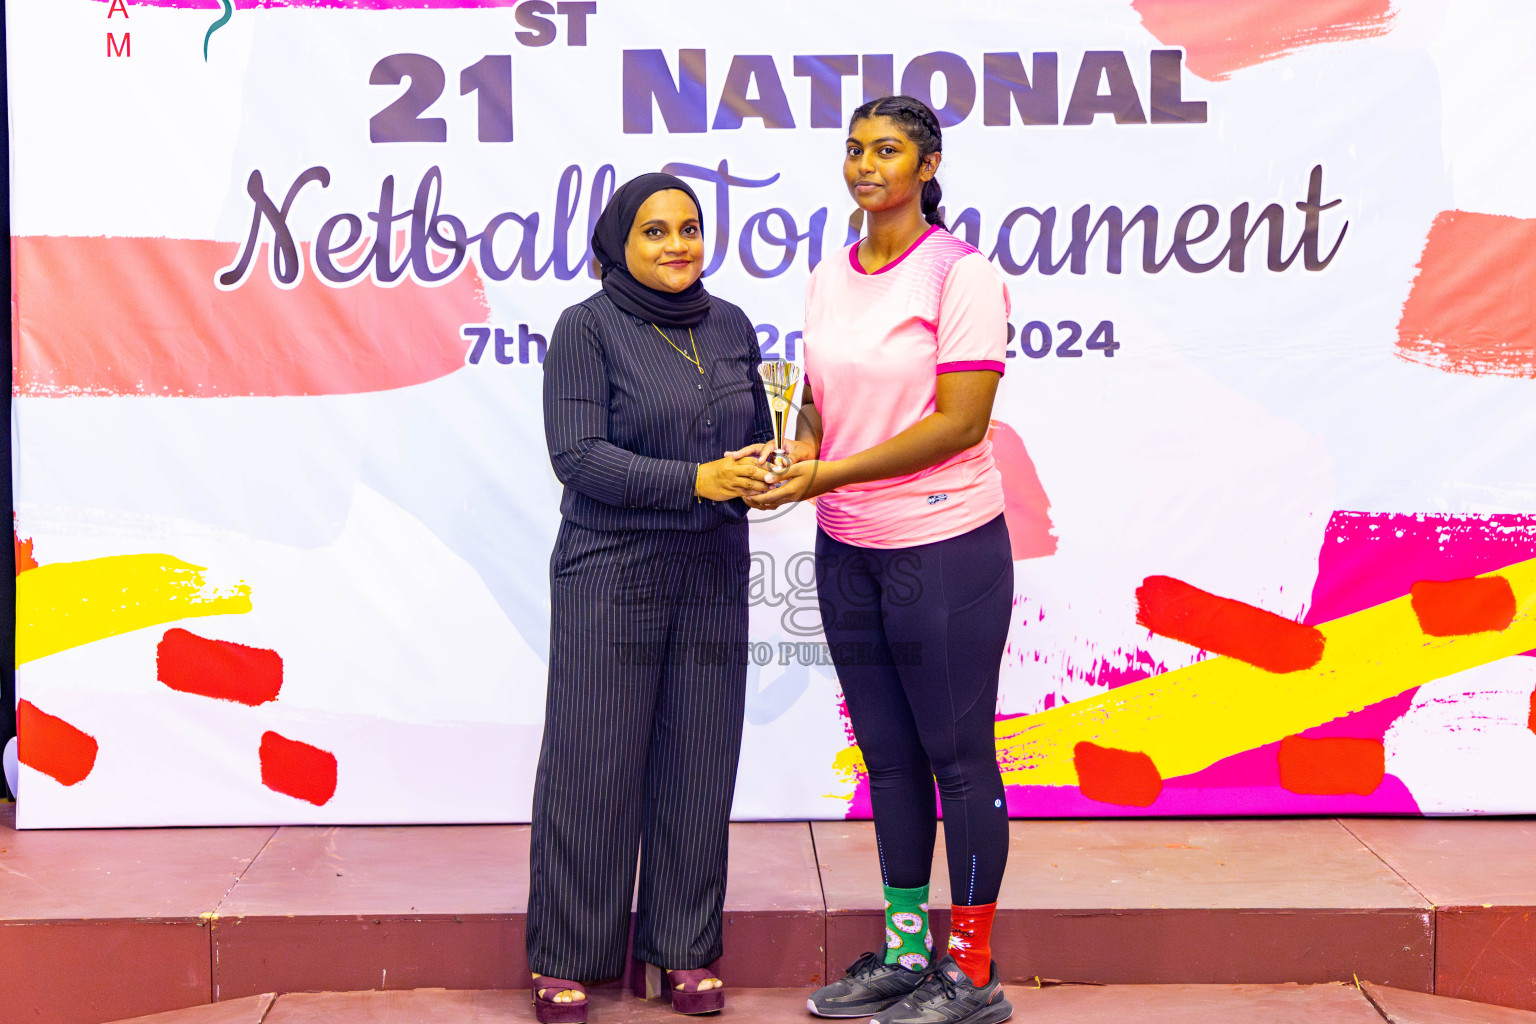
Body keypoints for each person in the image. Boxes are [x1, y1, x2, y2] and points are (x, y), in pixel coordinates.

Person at [746, 96, 1015, 1024]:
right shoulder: (828, 275)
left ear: (928, 166)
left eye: (889, 150)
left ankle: (972, 974)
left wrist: (820, 475)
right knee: (890, 762)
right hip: (848, 547)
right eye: (856, 149)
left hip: (944, 543)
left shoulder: (959, 277)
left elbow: (958, 423)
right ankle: (907, 957)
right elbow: (820, 405)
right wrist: (794, 449)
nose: (868, 164)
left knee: (958, 758)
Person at [528, 172, 774, 1024]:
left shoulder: (732, 324)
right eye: (656, 231)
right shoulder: (586, 330)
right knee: (595, 764)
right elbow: (579, 457)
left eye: (691, 229)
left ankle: (685, 950)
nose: (677, 246)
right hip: (612, 566)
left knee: (699, 763)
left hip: (711, 566)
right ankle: (567, 957)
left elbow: (754, 440)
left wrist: (766, 473)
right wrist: (697, 478)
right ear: (618, 244)